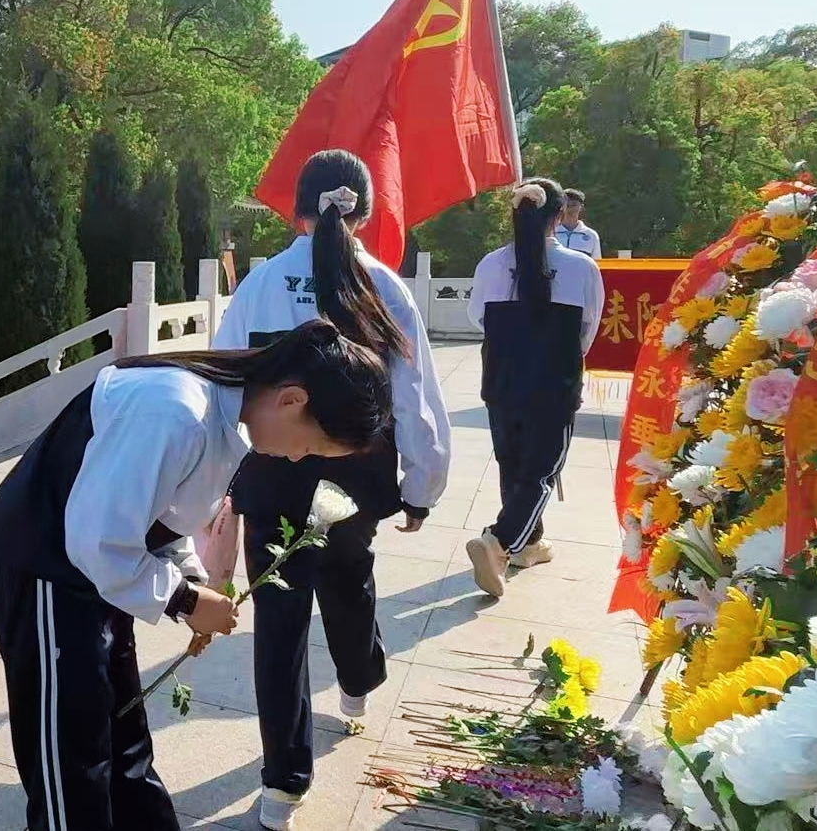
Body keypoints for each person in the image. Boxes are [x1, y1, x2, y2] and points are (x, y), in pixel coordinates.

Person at [0, 321, 393, 831]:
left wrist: (193, 585)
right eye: (308, 447)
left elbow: (166, 517)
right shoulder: (175, 410)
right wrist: (184, 601)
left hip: (100, 577)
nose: (294, 458)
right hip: (48, 574)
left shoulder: (224, 417)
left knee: (124, 740)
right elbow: (96, 542)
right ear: (292, 400)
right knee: (73, 763)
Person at [212, 149, 451, 831]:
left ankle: (282, 783)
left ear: (296, 211)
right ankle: (356, 682)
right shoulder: (385, 287)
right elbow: (416, 398)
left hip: (271, 469)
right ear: (364, 215)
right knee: (349, 580)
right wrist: (422, 486)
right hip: (357, 470)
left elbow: (225, 380)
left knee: (279, 621)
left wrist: (217, 481)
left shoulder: (260, 284)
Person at [465, 178, 605, 597]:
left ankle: (530, 543)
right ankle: (500, 541)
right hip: (553, 382)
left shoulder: (491, 264)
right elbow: (588, 330)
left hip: (502, 379)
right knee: (542, 471)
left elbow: (477, 318)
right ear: (558, 216)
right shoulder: (581, 267)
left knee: (513, 463)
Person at [554, 188, 601, 259]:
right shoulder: (551, 233)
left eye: (574, 205)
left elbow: (597, 262)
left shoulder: (591, 235)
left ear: (581, 207)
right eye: (566, 205)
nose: (569, 209)